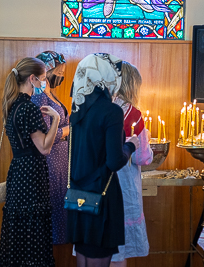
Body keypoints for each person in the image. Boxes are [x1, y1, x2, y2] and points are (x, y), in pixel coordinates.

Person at [67, 53, 140, 267]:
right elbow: (115, 161)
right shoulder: (111, 111)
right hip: (102, 192)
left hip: (79, 192)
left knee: (83, 251)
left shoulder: (77, 110)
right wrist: (131, 145)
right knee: (99, 253)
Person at [0, 57, 60, 266]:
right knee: (33, 231)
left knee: (19, 232)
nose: (45, 83)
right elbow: (44, 147)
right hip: (31, 175)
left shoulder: (13, 106)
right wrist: (56, 121)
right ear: (32, 79)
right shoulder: (29, 108)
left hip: (18, 172)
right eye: (43, 79)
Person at [110, 61, 153, 267]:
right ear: (131, 85)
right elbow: (142, 157)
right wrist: (148, 145)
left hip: (97, 181)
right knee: (120, 248)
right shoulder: (133, 115)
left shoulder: (99, 107)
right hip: (123, 183)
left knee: (100, 248)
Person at [31, 51, 69, 245]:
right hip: (51, 160)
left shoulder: (50, 94)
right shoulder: (39, 97)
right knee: (52, 209)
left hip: (61, 160)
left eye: (63, 73)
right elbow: (45, 136)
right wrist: (67, 130)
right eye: (58, 72)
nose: (60, 76)